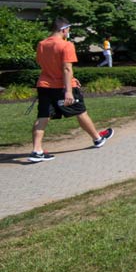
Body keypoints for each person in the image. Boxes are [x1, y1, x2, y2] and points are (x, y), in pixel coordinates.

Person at [29, 18, 115, 163]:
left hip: (44, 85)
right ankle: (97, 139)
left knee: (43, 117)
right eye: (68, 30)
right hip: (62, 87)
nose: (68, 32)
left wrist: (70, 79)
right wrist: (68, 90)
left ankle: (37, 151)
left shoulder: (42, 44)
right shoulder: (66, 45)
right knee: (80, 112)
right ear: (64, 30)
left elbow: (44, 64)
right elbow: (67, 68)